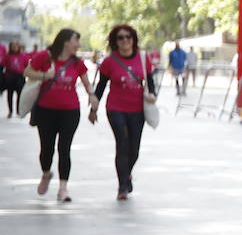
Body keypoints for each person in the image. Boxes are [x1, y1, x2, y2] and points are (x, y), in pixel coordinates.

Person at [89, 24, 158, 199]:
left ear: (133, 39)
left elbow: (150, 82)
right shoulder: (109, 62)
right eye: (120, 37)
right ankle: (122, 186)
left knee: (134, 149)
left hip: (137, 109)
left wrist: (152, 95)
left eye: (128, 36)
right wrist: (93, 108)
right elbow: (101, 87)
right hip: (116, 108)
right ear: (115, 41)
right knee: (122, 143)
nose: (125, 40)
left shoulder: (143, 59)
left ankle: (127, 174)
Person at [24, 29, 93, 202]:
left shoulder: (77, 63)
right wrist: (44, 75)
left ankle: (63, 188)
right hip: (46, 110)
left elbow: (86, 83)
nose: (78, 45)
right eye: (75, 41)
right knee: (46, 149)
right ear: (65, 42)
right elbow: (27, 71)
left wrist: (92, 96)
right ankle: (46, 173)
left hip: (70, 111)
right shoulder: (45, 57)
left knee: (64, 148)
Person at [3, 41, 30, 117]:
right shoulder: (8, 56)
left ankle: (18, 111)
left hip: (19, 76)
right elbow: (3, 64)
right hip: (10, 76)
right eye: (13, 46)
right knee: (10, 94)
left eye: (16, 46)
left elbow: (26, 66)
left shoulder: (23, 56)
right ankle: (10, 111)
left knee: (20, 94)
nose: (14, 47)